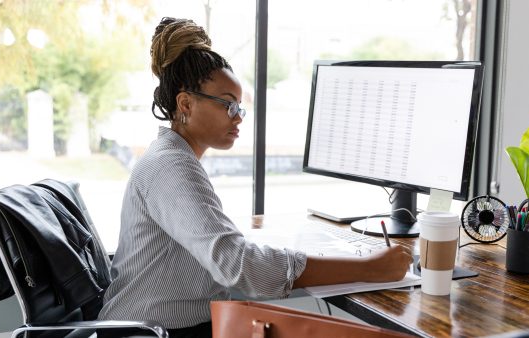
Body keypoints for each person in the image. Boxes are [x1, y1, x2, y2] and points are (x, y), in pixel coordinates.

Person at [98, 17, 412, 338]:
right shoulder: (171, 166)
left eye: (239, 108)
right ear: (186, 103)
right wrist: (371, 268)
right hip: (149, 333)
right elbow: (240, 266)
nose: (238, 118)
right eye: (228, 105)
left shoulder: (173, 157)